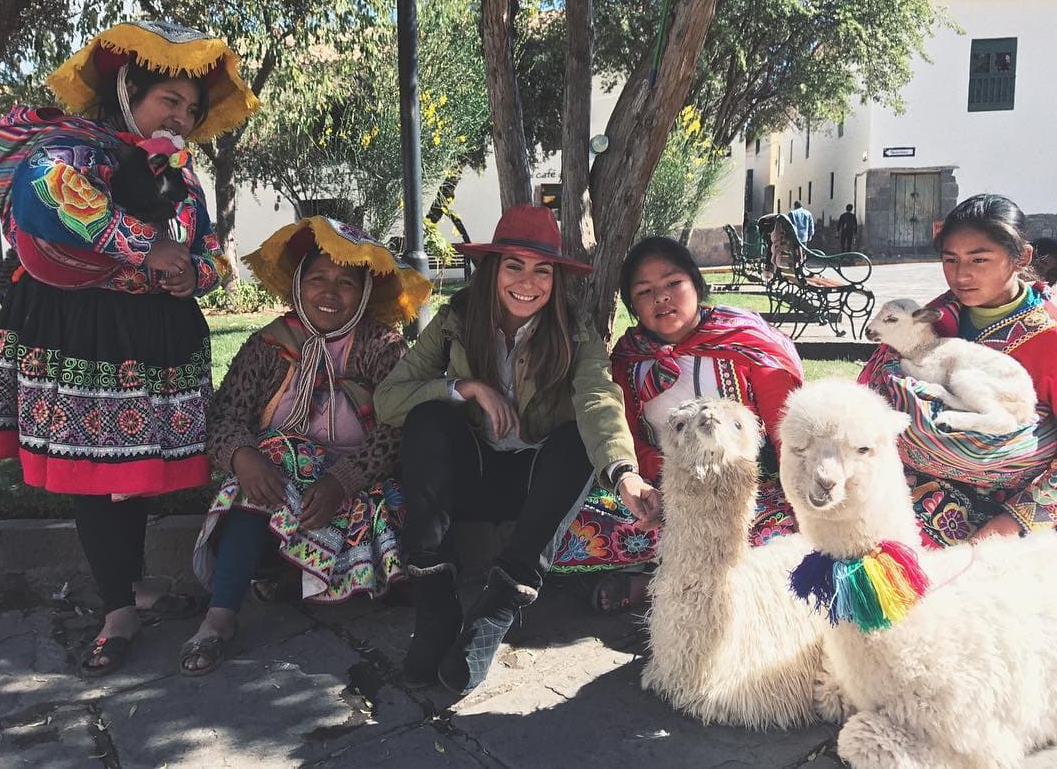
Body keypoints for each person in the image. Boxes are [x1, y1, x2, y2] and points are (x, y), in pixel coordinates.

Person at [0, 21, 258, 678]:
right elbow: (42, 203)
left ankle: (131, 586)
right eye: (171, 101)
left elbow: (212, 250)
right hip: (82, 335)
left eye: (192, 109)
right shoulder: (70, 146)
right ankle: (116, 609)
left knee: (132, 473)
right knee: (91, 471)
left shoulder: (183, 179)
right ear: (128, 89)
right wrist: (142, 245)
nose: (183, 118)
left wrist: (198, 272)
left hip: (152, 340)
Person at [374, 204, 658, 695]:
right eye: (514, 266)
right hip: (470, 477)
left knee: (574, 441)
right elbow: (388, 398)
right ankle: (437, 604)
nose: (528, 282)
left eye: (541, 270)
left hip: (535, 487)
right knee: (428, 419)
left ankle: (497, 607)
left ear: (555, 279)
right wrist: (464, 386)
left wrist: (624, 471)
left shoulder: (575, 330)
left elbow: (597, 397)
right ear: (492, 270)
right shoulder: (455, 320)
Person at [182, 216, 431, 675]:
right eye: (317, 278)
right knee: (265, 462)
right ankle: (221, 614)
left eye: (345, 283)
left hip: (358, 485)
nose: (329, 293)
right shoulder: (269, 345)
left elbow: (401, 424)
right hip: (280, 487)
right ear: (299, 283)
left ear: (365, 293)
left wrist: (343, 479)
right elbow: (224, 416)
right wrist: (243, 457)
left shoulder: (381, 347)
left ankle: (298, 574)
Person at [553, 237, 805, 611]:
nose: (662, 297)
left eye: (673, 283)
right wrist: (661, 489)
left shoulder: (744, 340)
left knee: (782, 532)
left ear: (695, 284)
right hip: (668, 491)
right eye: (645, 291)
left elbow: (789, 429)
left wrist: (794, 490)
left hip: (747, 493)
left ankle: (656, 585)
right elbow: (630, 438)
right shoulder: (630, 359)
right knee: (571, 529)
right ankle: (675, 584)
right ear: (632, 305)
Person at [861, 194, 1057, 547]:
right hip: (897, 472)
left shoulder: (1050, 339)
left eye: (979, 259)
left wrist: (1011, 522)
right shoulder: (938, 314)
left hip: (995, 507)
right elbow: (873, 379)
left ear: (1021, 257)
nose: (961, 275)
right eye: (950, 260)